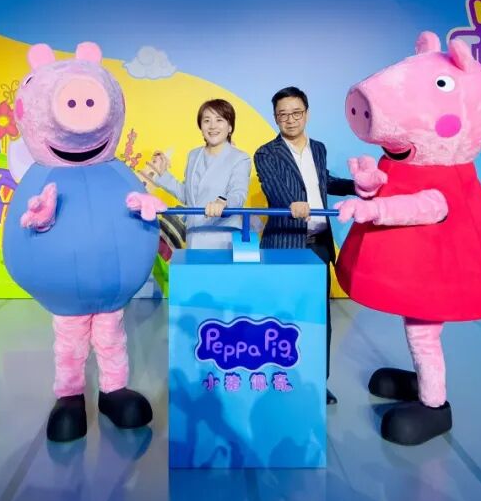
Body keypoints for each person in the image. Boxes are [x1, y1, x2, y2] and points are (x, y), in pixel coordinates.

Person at [254, 86, 356, 405]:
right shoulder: (266, 153)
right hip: (285, 245)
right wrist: (292, 203)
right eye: (282, 114)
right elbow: (275, 189)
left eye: (296, 112)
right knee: (284, 317)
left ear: (307, 114)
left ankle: (316, 382)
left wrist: (360, 186)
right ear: (276, 117)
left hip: (319, 246)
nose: (290, 119)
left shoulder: (319, 149)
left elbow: (325, 181)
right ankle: (280, 379)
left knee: (319, 318)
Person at [145, 99, 251, 249]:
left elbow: (238, 194)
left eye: (219, 120)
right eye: (207, 120)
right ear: (200, 126)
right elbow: (188, 196)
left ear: (230, 127)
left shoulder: (240, 158)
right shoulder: (194, 155)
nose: (212, 126)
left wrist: (223, 203)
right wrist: (163, 174)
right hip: (193, 236)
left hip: (223, 238)